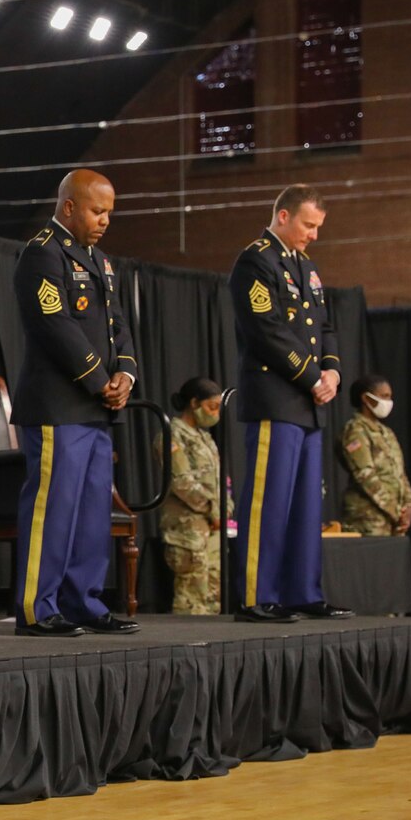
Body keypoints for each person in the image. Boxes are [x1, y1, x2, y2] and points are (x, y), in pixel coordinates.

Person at [9, 169, 140, 637]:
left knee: (90, 512)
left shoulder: (99, 262)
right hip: (57, 405)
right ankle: (37, 609)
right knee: (54, 508)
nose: (105, 221)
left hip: (96, 407)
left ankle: (83, 602)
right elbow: (54, 325)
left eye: (109, 213)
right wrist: (99, 378)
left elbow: (117, 325)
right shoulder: (43, 253)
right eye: (97, 211)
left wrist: (125, 373)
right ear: (69, 207)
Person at [228, 184, 352, 623]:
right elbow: (267, 331)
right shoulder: (256, 261)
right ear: (283, 216)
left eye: (319, 227)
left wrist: (334, 371)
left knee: (305, 506)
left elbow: (326, 327)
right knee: (269, 502)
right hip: (277, 397)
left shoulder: (307, 268)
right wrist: (313, 376)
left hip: (310, 401)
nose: (314, 235)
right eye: (309, 225)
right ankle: (256, 596)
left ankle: (303, 592)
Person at [160, 377, 231, 614]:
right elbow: (181, 482)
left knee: (213, 599)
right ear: (194, 403)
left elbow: (219, 480)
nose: (216, 413)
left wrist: (225, 507)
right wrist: (215, 509)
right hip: (187, 529)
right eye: (212, 406)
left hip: (212, 528)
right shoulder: (171, 435)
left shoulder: (205, 437)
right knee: (191, 602)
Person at [340, 374, 411, 536]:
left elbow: (400, 474)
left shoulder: (387, 433)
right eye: (384, 396)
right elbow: (365, 475)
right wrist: (395, 511)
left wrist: (409, 507)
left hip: (394, 521)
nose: (388, 402)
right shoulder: (355, 431)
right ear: (366, 398)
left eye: (390, 397)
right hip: (368, 519)